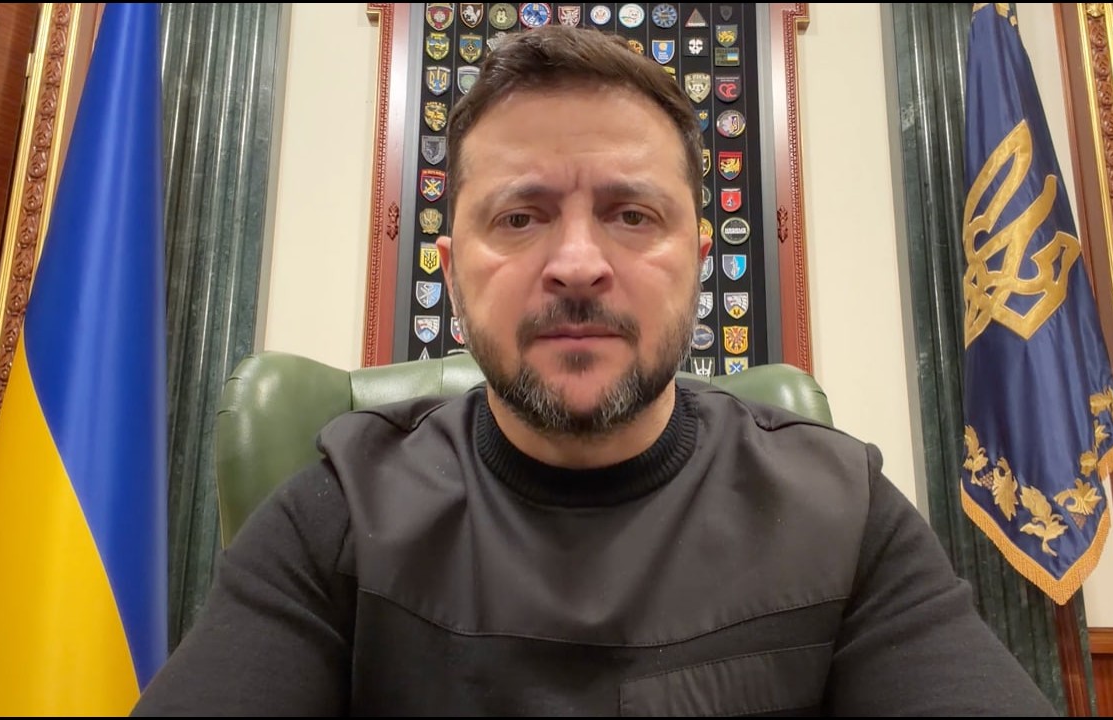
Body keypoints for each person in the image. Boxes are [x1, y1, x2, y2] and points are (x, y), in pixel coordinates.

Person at [134, 25, 1057, 717]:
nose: (577, 264)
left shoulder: (843, 512)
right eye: (520, 217)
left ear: (699, 260)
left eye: (631, 215)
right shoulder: (336, 513)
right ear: (453, 272)